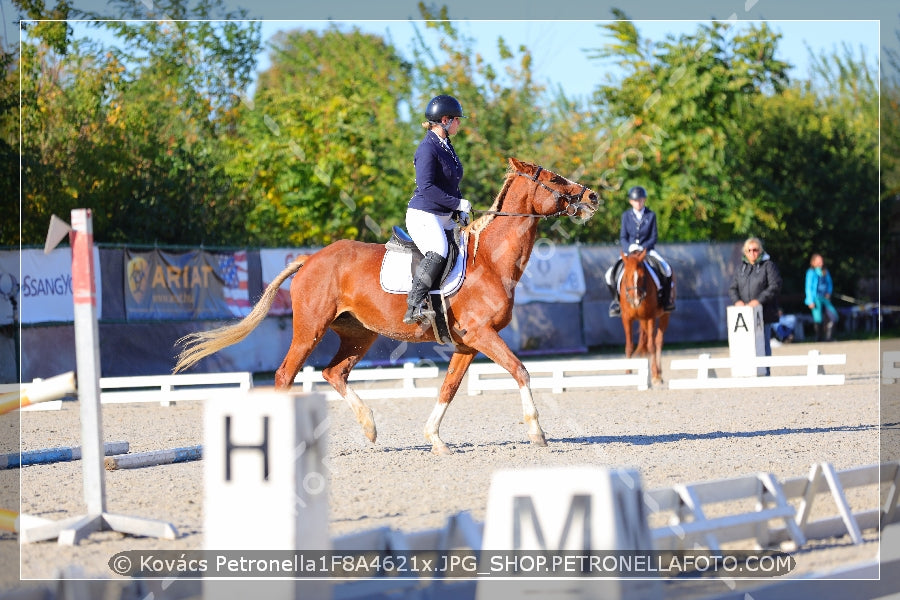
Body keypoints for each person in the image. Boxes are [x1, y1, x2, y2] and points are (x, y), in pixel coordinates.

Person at [403, 94, 472, 326]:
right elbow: (427, 187)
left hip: (443, 215)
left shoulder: (446, 146)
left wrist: (458, 211)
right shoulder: (427, 149)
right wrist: (456, 204)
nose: (458, 123)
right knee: (439, 249)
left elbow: (452, 183)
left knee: (466, 247)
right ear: (444, 120)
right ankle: (414, 305)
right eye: (456, 119)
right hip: (424, 214)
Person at [604, 185, 675, 316]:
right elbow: (623, 237)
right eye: (636, 201)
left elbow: (654, 237)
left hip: (646, 251)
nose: (638, 203)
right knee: (608, 275)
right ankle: (616, 302)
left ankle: (665, 301)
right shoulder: (626, 216)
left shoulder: (651, 215)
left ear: (644, 200)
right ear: (631, 201)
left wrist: (644, 247)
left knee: (667, 270)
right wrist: (629, 247)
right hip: (630, 252)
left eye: (641, 200)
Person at [728, 236, 783, 369]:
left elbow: (775, 286)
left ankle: (765, 371)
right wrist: (737, 301)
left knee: (763, 344)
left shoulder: (768, 266)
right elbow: (732, 288)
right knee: (746, 345)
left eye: (755, 250)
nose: (752, 253)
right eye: (749, 250)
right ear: (745, 252)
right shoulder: (741, 268)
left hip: (763, 313)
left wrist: (758, 301)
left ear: (760, 250)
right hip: (744, 315)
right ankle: (747, 370)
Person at [805, 253, 839, 342]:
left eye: (821, 260)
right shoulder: (811, 272)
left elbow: (829, 284)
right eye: (818, 261)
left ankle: (829, 337)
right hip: (815, 298)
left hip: (825, 298)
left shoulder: (825, 271)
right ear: (813, 262)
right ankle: (818, 338)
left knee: (834, 316)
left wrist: (829, 292)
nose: (821, 262)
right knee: (818, 318)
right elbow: (808, 287)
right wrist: (810, 301)